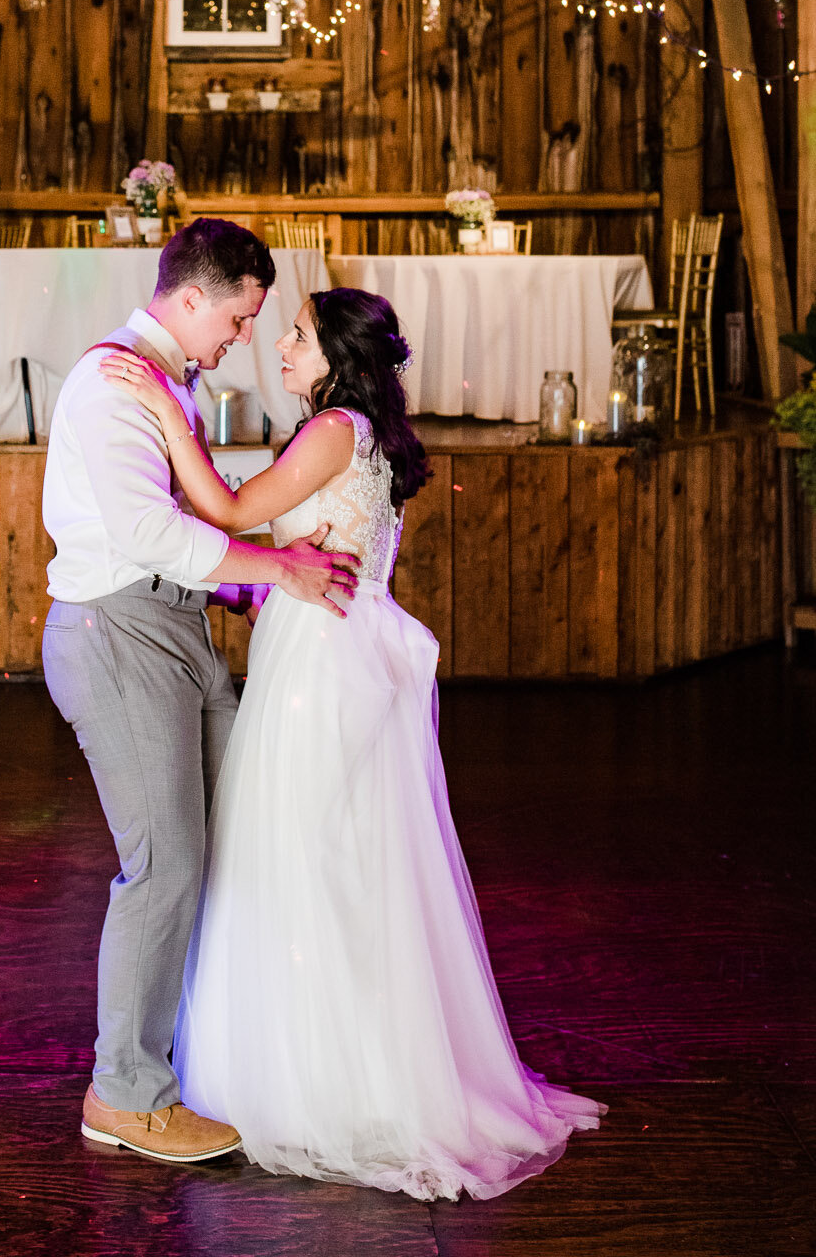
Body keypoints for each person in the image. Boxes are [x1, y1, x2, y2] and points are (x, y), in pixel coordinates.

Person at [100, 286, 605, 1200]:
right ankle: (357, 1067)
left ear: (336, 356)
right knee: (338, 862)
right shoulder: (355, 434)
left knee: (296, 859)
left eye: (294, 336)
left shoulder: (330, 429)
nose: (279, 347)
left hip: (316, 674)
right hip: (334, 649)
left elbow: (226, 512)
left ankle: (313, 1084)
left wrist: (167, 426)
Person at [41, 219, 363, 1166]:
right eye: (240, 317)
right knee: (166, 865)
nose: (243, 339)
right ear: (192, 299)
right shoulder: (111, 384)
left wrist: (235, 589)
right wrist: (275, 572)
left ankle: (213, 1054)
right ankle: (125, 1094)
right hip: (118, 630)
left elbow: (185, 520)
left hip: (173, 626)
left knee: (234, 837)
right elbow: (145, 531)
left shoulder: (170, 381)